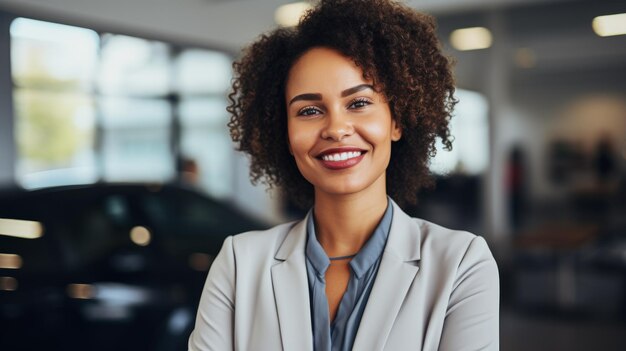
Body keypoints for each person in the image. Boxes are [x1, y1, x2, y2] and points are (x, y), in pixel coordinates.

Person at [188, 0, 499, 350]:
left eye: (359, 103)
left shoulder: (461, 264)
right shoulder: (238, 264)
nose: (336, 128)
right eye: (308, 110)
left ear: (396, 121)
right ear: (285, 134)